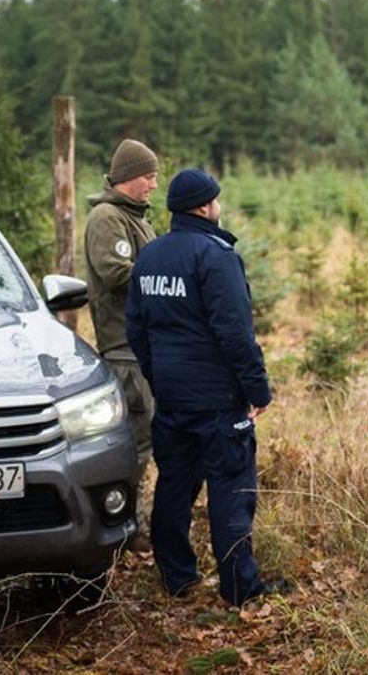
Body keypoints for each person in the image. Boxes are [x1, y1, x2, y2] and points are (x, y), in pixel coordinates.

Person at [126, 168, 286, 606]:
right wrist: (258, 389)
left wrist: (158, 377)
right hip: (219, 401)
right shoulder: (216, 256)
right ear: (204, 206)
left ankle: (177, 577)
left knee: (174, 487)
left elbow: (136, 328)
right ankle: (241, 588)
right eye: (215, 200)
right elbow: (235, 332)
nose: (218, 206)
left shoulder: (151, 256)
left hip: (173, 398)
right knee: (232, 491)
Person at [83, 138, 160, 550]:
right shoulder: (107, 218)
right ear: (130, 177)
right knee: (136, 443)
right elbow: (116, 273)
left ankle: (140, 522)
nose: (153, 185)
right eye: (149, 177)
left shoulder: (137, 218)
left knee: (149, 438)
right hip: (125, 348)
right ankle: (128, 526)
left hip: (145, 346)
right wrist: (166, 274)